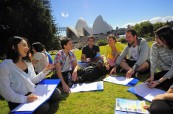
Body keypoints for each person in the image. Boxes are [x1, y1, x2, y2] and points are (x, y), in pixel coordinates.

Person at [0, 36, 61, 114]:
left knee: (56, 93)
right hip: (17, 100)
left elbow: (33, 80)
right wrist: (25, 99)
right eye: (24, 45)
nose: (27, 48)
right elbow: (5, 92)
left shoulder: (27, 62)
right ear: (14, 47)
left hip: (33, 92)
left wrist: (45, 71)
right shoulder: (5, 66)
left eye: (27, 45)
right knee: (44, 108)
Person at [146, 26, 173, 91]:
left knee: (165, 84)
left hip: (171, 70)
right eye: (155, 37)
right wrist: (152, 76)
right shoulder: (155, 46)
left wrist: (158, 82)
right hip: (165, 71)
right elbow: (153, 61)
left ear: (166, 38)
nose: (156, 40)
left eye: (158, 38)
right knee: (153, 80)